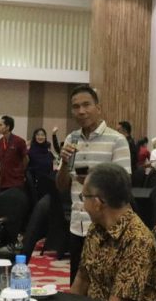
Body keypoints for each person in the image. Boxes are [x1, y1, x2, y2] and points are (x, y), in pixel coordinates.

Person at [70, 163, 156, 301]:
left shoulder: (138, 240)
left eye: (84, 197)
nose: (83, 205)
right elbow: (82, 279)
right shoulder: (96, 229)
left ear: (98, 202)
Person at [56, 85, 131, 283]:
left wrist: (92, 182)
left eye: (86, 105)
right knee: (77, 285)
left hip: (106, 230)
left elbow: (124, 188)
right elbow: (62, 186)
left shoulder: (117, 140)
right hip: (77, 225)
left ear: (98, 108)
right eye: (76, 107)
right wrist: (64, 163)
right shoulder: (71, 139)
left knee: (102, 287)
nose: (81, 111)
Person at [0, 115, 28, 193]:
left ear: (7, 127)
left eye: (1, 125)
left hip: (16, 181)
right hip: (3, 182)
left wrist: (20, 172)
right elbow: (0, 159)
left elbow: (26, 159)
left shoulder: (19, 141)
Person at [27, 128, 55, 202]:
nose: (40, 137)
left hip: (47, 183)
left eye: (42, 135)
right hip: (35, 184)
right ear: (35, 136)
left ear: (45, 137)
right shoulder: (30, 151)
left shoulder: (48, 152)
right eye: (38, 135)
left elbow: (51, 168)